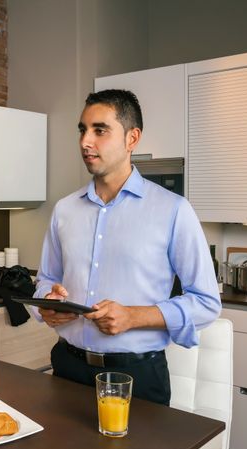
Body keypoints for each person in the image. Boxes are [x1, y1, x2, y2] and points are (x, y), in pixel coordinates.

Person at [34, 89, 221, 406]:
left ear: (132, 138)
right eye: (83, 129)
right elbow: (44, 280)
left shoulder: (173, 210)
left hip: (137, 379)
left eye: (100, 130)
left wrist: (134, 317)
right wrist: (46, 304)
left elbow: (206, 303)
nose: (85, 142)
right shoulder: (64, 210)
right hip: (67, 370)